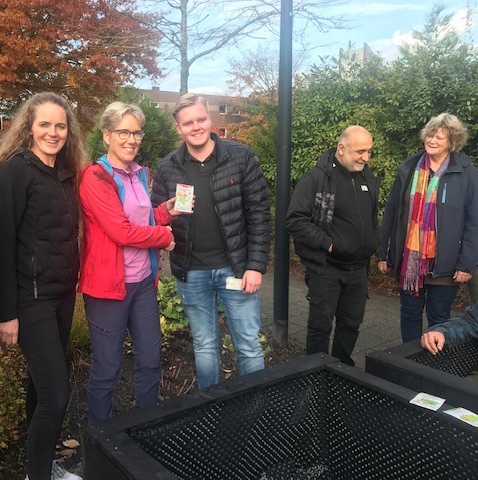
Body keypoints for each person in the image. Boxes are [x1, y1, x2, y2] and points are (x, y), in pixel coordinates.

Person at [0, 93, 83, 480]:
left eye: (60, 125)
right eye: (44, 124)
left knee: (42, 388)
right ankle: (39, 476)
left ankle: (40, 465)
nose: (53, 132)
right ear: (29, 126)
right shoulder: (15, 171)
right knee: (57, 395)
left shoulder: (66, 173)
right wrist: (6, 312)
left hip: (60, 297)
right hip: (30, 301)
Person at [151, 93, 271, 389]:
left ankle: (257, 406)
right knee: (204, 346)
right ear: (178, 128)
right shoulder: (167, 167)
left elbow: (258, 213)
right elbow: (156, 217)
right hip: (192, 272)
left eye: (201, 119)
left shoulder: (241, 157)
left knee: (248, 345)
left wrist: (255, 266)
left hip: (236, 270)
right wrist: (164, 231)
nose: (196, 127)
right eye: (188, 122)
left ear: (210, 120)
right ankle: (211, 408)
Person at [79, 102, 180, 424]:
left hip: (143, 284)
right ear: (107, 135)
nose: (131, 139)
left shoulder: (140, 174)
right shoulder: (95, 177)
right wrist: (163, 237)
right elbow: (120, 231)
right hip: (108, 289)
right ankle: (102, 438)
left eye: (136, 132)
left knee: (150, 360)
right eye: (123, 132)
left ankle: (145, 428)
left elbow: (143, 218)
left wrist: (165, 212)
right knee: (107, 367)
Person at [378, 113, 478, 343]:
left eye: (439, 138)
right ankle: (408, 362)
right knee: (409, 314)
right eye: (430, 135)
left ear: (452, 143)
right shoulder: (408, 170)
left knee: (440, 318)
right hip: (409, 262)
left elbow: (474, 222)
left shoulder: (467, 175)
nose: (432, 141)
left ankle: (433, 368)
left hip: (445, 265)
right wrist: (384, 252)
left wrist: (466, 264)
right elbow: (392, 211)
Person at [286, 126, 379, 366]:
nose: (365, 157)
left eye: (369, 151)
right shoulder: (317, 178)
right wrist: (328, 244)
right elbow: (295, 219)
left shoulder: (366, 177)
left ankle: (342, 370)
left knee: (351, 325)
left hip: (358, 269)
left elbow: (368, 219)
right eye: (360, 151)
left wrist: (374, 242)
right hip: (327, 268)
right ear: (341, 148)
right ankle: (315, 373)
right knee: (320, 327)